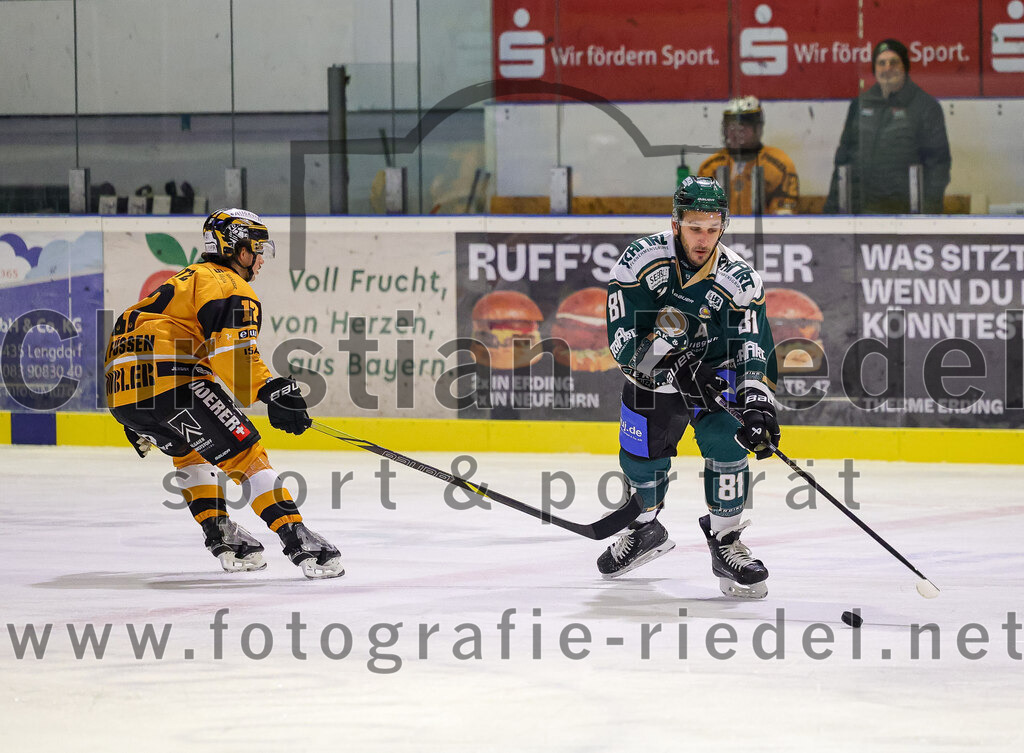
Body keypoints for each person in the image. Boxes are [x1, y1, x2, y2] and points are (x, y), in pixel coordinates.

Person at [104, 208, 344, 579]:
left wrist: (138, 407)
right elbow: (233, 352)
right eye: (257, 248)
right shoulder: (226, 283)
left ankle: (224, 537)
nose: (261, 258)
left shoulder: (183, 281)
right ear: (236, 248)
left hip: (123, 394)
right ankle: (298, 539)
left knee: (190, 453)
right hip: (175, 384)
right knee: (246, 454)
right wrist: (270, 388)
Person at [600, 176, 780, 598]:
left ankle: (726, 540)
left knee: (729, 442)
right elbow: (623, 341)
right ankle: (643, 531)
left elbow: (754, 345)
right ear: (676, 222)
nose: (704, 238)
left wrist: (758, 406)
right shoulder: (640, 262)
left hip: (714, 375)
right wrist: (673, 366)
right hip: (650, 371)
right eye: (695, 228)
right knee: (641, 461)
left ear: (724, 226)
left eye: (713, 228)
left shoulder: (739, 279)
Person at [824, 38, 951, 214]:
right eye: (881, 63)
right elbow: (842, 160)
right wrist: (831, 211)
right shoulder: (860, 105)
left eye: (894, 62)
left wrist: (928, 215)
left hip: (906, 214)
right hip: (860, 213)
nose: (887, 68)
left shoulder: (926, 107)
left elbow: (938, 166)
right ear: (874, 69)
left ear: (905, 67)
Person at [697, 96, 799, 215]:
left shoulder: (780, 165)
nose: (736, 132)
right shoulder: (711, 166)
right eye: (731, 126)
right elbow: (701, 215)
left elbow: (783, 217)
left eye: (744, 126)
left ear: (759, 128)